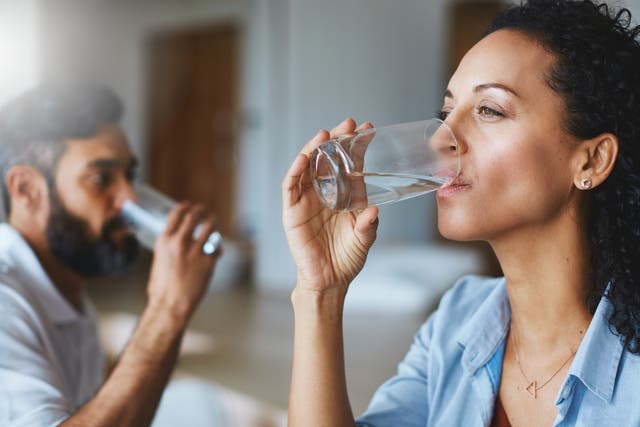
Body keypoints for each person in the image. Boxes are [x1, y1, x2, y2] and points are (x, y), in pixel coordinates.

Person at [282, 0, 640, 425]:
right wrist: (320, 292)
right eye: (447, 113)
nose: (440, 142)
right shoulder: (456, 320)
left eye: (489, 110)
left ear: (592, 160)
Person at [0, 82, 221, 426]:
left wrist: (172, 311)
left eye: (129, 175)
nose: (129, 198)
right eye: (101, 178)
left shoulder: (70, 294)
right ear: (26, 189)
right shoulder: (4, 302)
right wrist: (167, 307)